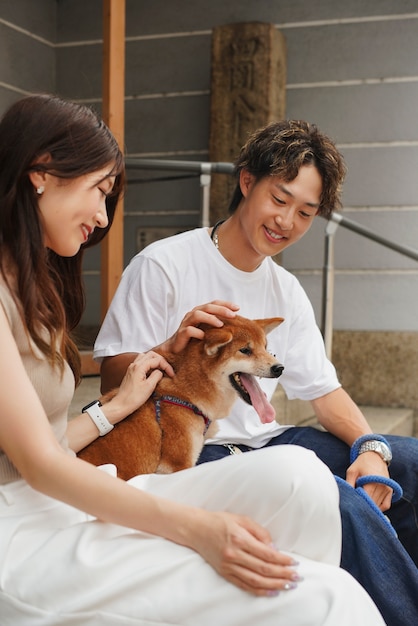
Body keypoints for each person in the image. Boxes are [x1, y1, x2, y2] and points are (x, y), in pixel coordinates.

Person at [0, 95, 386, 625]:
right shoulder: (161, 263)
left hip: (59, 491)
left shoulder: (33, 296)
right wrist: (193, 527)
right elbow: (38, 465)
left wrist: (111, 409)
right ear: (40, 174)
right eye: (100, 191)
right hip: (26, 526)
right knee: (328, 597)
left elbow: (42, 446)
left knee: (308, 478)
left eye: (307, 212)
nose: (102, 214)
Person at [95, 119, 418, 626]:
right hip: (200, 452)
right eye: (280, 198)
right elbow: (112, 382)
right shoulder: (163, 265)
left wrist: (372, 449)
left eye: (306, 212)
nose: (287, 220)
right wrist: (174, 346)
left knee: (411, 462)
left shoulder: (285, 289)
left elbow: (324, 390)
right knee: (342, 506)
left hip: (272, 440)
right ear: (247, 181)